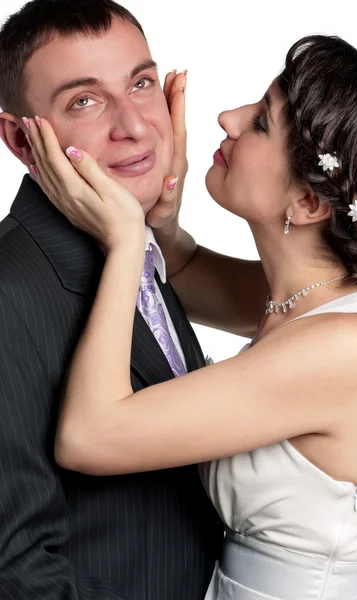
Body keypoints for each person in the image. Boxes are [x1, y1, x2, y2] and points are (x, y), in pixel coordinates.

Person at [27, 33, 357, 599]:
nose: (228, 117)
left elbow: (88, 436)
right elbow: (185, 270)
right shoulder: (312, 299)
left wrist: (127, 240)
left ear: (309, 203)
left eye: (260, 124)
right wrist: (160, 218)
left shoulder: (346, 345)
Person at [0, 0, 265, 597]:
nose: (136, 126)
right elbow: (17, 575)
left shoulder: (138, 247)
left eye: (142, 84)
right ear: (21, 139)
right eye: (84, 101)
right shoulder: (10, 290)